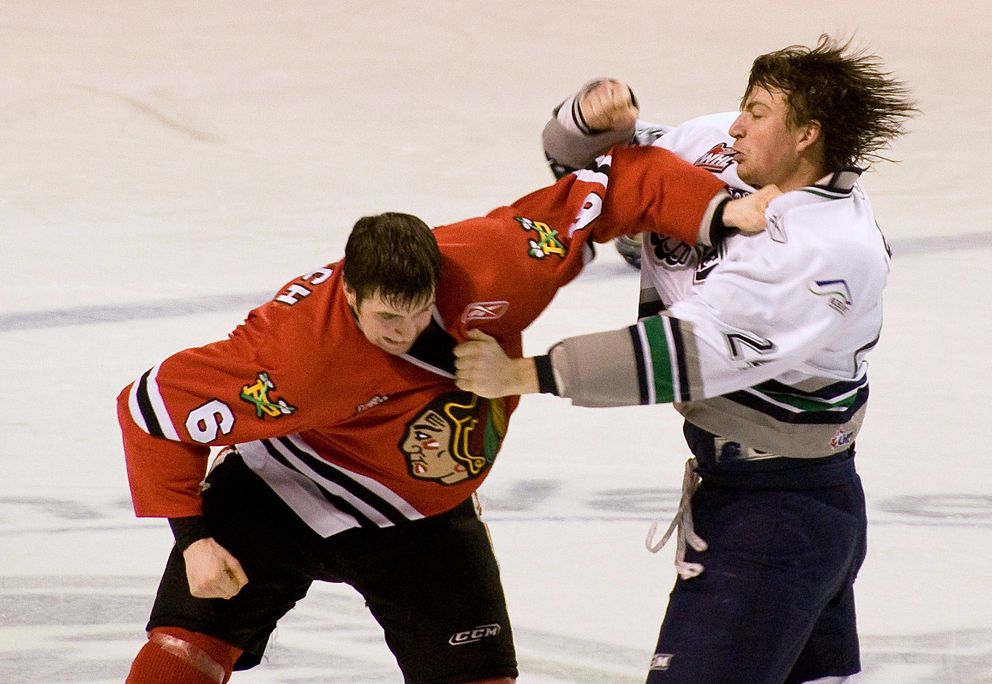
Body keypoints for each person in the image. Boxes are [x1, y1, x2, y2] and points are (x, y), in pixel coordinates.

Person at [116, 137, 777, 682]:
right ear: (349, 293)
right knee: (182, 655)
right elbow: (152, 407)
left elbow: (613, 183)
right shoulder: (289, 360)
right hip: (281, 489)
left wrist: (718, 211)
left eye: (414, 311)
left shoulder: (497, 264)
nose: (401, 331)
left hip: (420, 519)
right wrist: (193, 537)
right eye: (383, 319)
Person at [454, 36, 916, 684]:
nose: (734, 125)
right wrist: (587, 121)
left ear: (807, 135)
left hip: (780, 517)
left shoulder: (831, 252)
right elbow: (591, 177)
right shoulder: (722, 154)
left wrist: (525, 373)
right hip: (758, 497)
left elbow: (688, 352)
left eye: (757, 112)